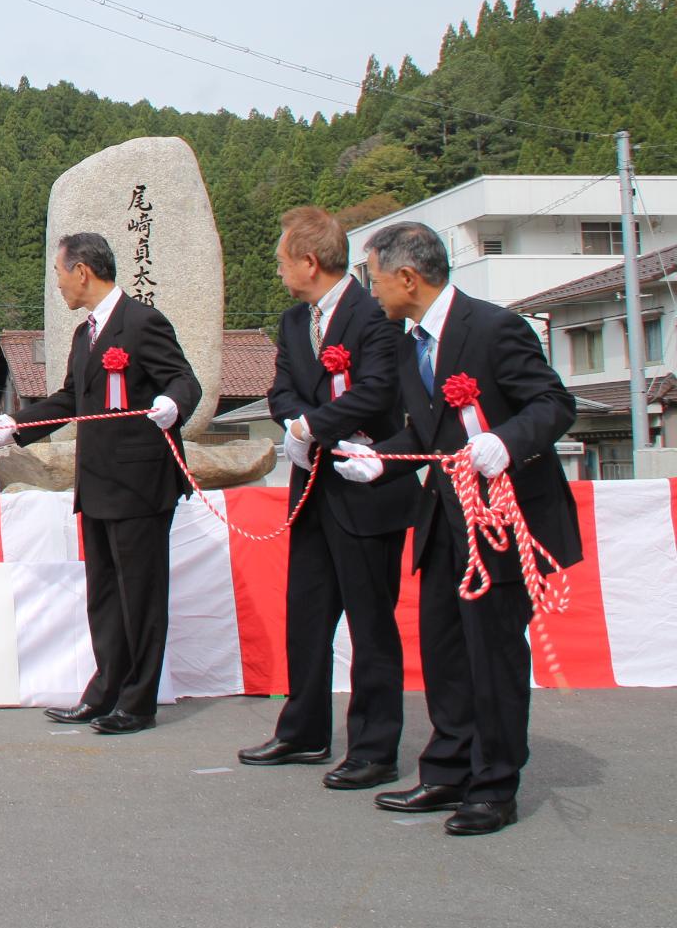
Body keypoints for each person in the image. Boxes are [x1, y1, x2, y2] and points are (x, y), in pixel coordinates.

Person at [332, 221, 580, 836]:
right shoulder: (409, 339)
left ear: (408, 277)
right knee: (443, 650)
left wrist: (505, 441)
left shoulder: (493, 328)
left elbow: (552, 404)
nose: (371, 289)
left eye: (373, 276)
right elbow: (426, 433)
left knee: (491, 655)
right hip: (445, 519)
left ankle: (495, 785)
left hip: (503, 519)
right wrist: (380, 462)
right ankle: (446, 770)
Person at [0, 232, 201, 734]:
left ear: (82, 271)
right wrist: (15, 426)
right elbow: (71, 399)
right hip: (97, 484)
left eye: (58, 273)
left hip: (142, 485)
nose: (57, 285)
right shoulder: (85, 336)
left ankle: (138, 702)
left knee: (141, 595)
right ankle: (104, 693)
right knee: (104, 594)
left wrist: (173, 406)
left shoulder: (143, 322)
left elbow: (185, 380)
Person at [237, 207, 419, 790]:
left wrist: (310, 427)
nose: (280, 271)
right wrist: (295, 425)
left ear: (309, 261)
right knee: (308, 615)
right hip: (311, 487)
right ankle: (304, 730)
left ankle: (374, 748)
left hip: (365, 488)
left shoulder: (375, 318)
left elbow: (376, 392)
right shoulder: (295, 322)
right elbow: (281, 389)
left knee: (370, 624)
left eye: (284, 260)